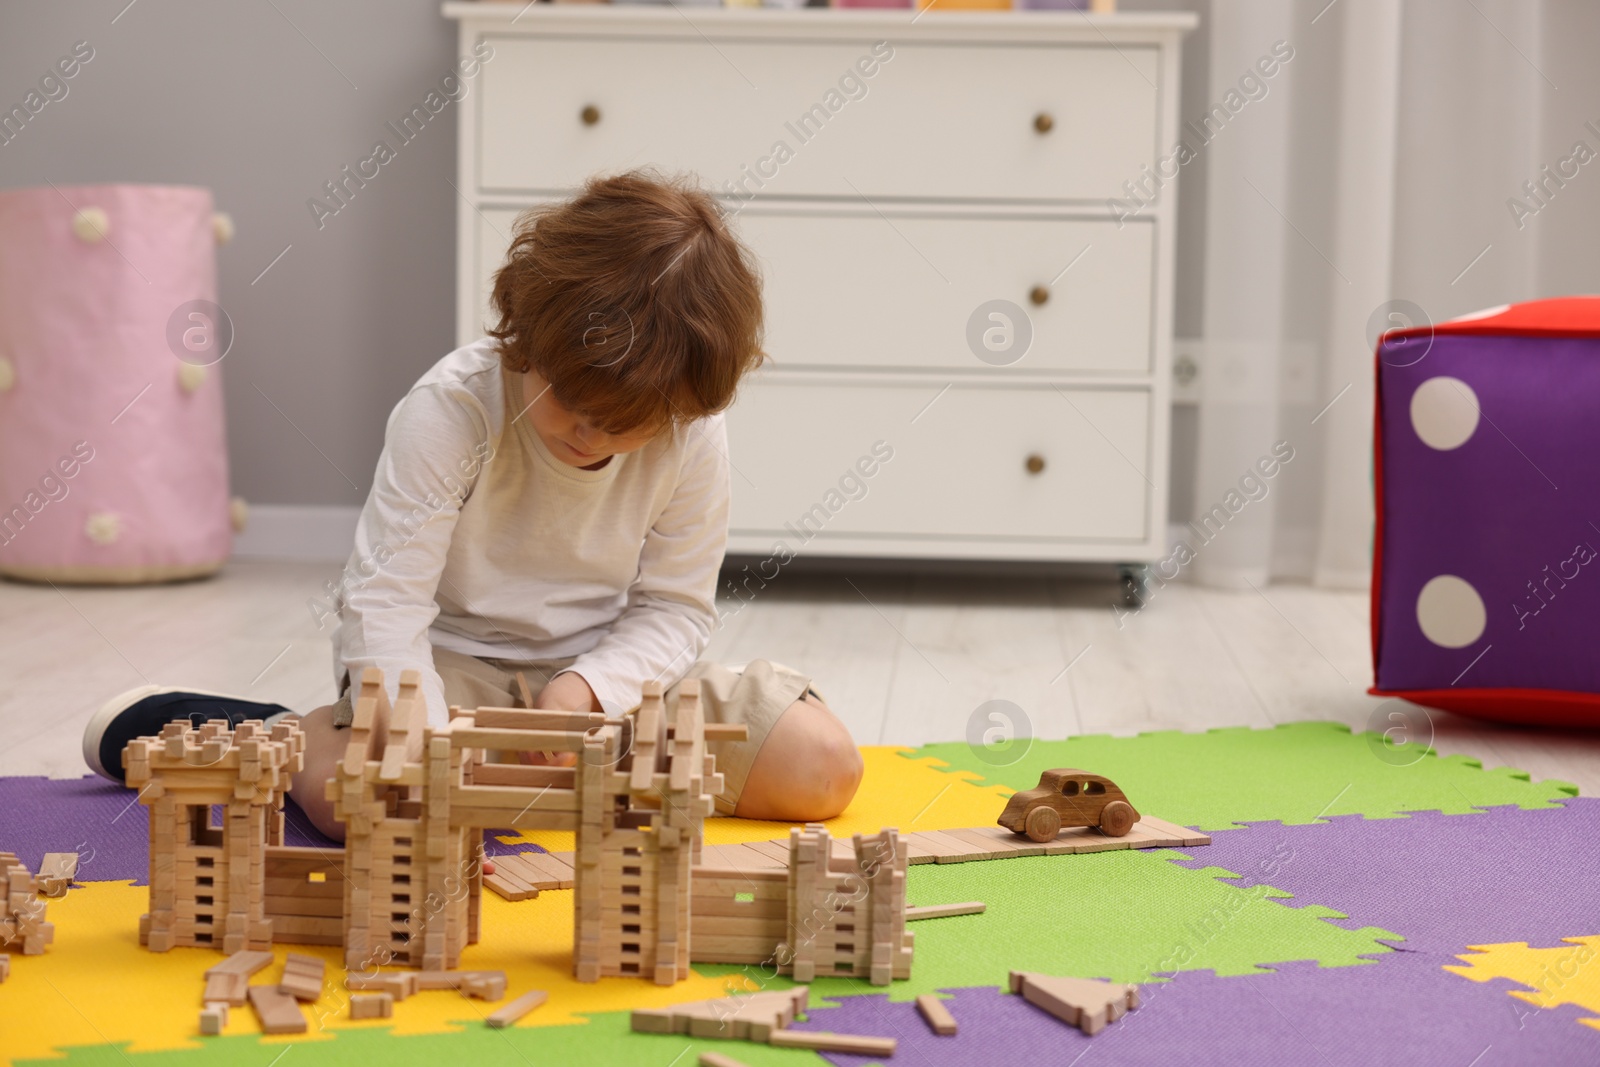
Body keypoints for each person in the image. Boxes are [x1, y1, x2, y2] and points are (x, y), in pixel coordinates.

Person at [81, 170, 863, 839]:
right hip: (452, 675)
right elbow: (387, 598)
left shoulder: (691, 428)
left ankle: (500, 772)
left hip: (610, 692)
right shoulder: (451, 411)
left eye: (622, 423)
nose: (588, 432)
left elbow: (676, 608)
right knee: (369, 807)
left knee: (822, 768)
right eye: (569, 399)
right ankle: (277, 732)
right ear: (526, 333)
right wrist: (410, 713)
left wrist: (587, 690)